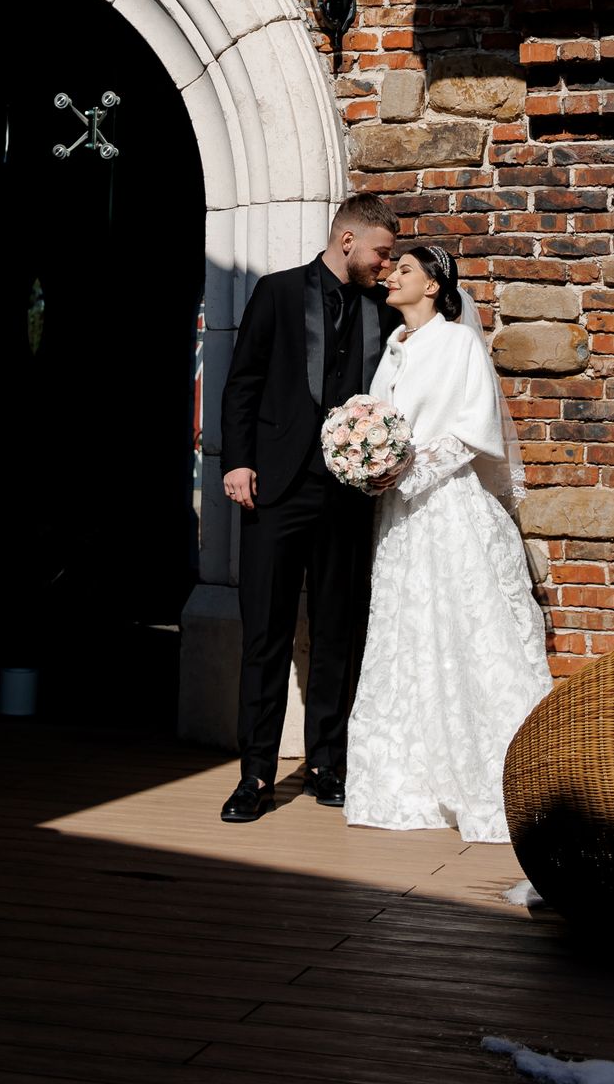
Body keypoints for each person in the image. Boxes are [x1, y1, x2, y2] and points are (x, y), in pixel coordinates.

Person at [344, 243, 552, 843]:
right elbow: (378, 424)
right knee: (406, 630)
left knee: (465, 628)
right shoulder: (394, 348)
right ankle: (407, 780)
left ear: (433, 286)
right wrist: (367, 463)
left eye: (405, 270)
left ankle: (499, 777)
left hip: (447, 506)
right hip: (399, 518)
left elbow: (473, 430)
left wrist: (406, 469)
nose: (391, 277)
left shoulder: (458, 344)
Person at [218, 194, 401, 823]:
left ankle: (327, 764)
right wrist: (236, 461)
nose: (386, 264)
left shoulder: (383, 308)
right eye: (381, 252)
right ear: (347, 240)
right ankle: (255, 775)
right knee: (265, 635)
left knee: (336, 632)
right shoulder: (276, 292)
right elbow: (242, 381)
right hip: (275, 488)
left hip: (347, 494)